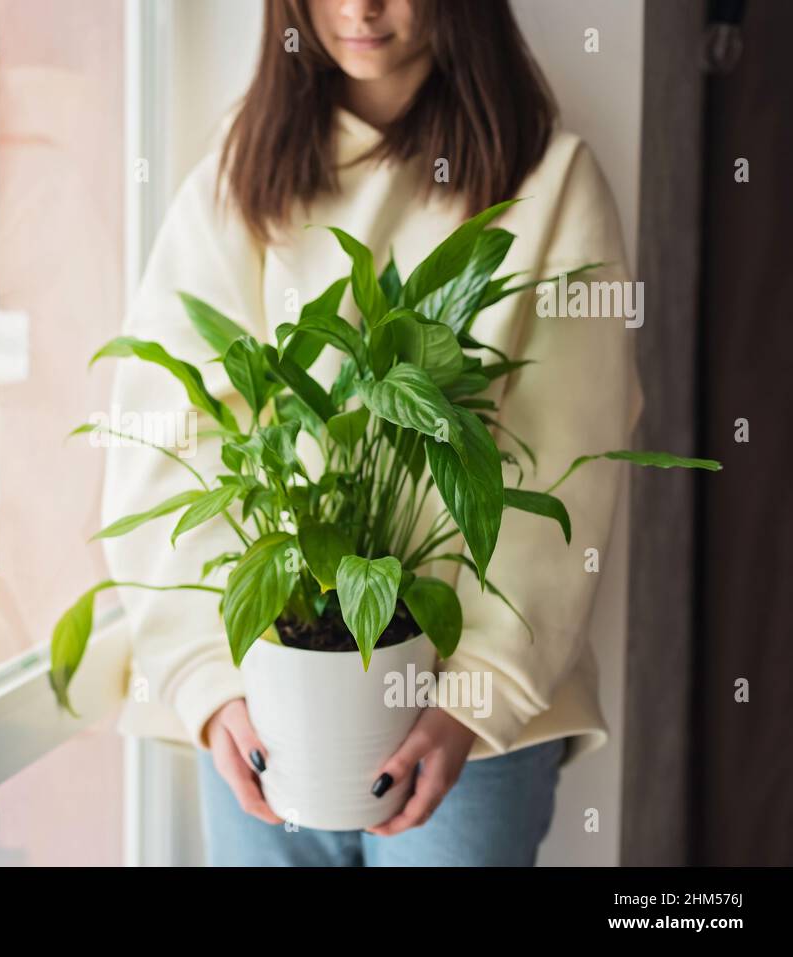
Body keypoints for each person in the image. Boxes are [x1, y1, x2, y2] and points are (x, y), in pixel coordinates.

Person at [101, 0, 642, 865]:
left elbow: (564, 463)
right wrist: (209, 680)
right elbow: (165, 443)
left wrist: (476, 697)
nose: (359, 7)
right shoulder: (241, 176)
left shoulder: (549, 181)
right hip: (267, 706)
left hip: (468, 733)